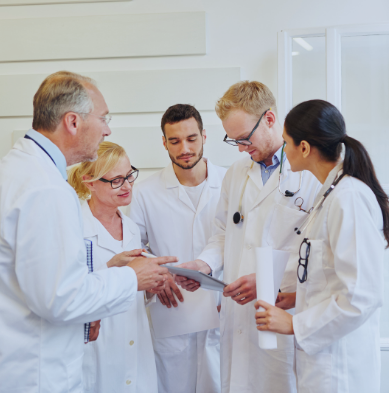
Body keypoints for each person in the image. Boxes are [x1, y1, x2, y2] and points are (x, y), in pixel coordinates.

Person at [0, 71, 176, 393]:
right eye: (103, 118)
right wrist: (131, 277)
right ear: (73, 122)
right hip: (38, 374)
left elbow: (43, 284)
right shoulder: (45, 189)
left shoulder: (21, 170)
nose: (107, 129)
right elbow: (60, 298)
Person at [176, 81, 321, 393]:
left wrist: (269, 279)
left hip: (284, 308)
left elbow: (316, 251)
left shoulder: (309, 173)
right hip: (238, 312)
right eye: (234, 141)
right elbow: (224, 232)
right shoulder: (237, 173)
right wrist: (203, 266)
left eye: (245, 138)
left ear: (269, 119)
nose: (241, 148)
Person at [254, 99, 388, 393]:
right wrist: (295, 296)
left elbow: (361, 296)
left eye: (286, 143)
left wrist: (294, 324)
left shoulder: (348, 197)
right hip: (321, 364)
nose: (284, 150)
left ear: (304, 148)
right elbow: (328, 274)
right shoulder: (329, 194)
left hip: (340, 369)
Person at [128, 104, 226, 393]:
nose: (184, 148)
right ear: (164, 142)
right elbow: (133, 249)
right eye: (174, 141)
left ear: (204, 136)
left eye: (191, 139)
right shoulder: (145, 192)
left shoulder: (231, 183)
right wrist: (157, 274)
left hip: (222, 310)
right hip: (173, 311)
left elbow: (238, 239)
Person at [68, 141, 158, 393]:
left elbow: (135, 295)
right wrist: (111, 268)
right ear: (90, 182)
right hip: (94, 351)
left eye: (129, 175)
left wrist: (152, 285)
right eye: (117, 180)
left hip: (136, 347)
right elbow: (65, 293)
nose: (128, 185)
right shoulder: (74, 228)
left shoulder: (131, 228)